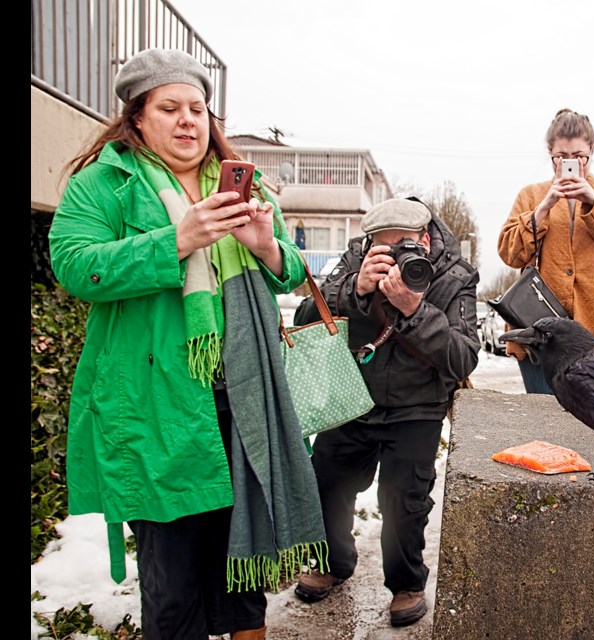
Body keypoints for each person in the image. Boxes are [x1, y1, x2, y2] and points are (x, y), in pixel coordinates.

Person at [47, 48, 328, 640]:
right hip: (154, 408)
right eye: (169, 107)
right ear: (138, 118)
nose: (188, 120)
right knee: (172, 588)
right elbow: (72, 265)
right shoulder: (106, 184)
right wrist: (174, 240)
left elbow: (290, 269)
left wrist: (265, 244)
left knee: (243, 572)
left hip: (240, 404)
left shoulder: (237, 180)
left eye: (198, 108)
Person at [292, 197, 480, 627]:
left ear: (426, 241)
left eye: (406, 247)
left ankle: (406, 584)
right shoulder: (354, 263)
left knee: (404, 498)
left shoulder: (454, 278)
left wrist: (415, 309)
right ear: (367, 244)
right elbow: (307, 315)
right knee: (327, 479)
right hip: (353, 396)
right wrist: (355, 289)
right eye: (385, 247)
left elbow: (463, 357)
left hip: (418, 406)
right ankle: (330, 561)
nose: (396, 258)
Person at [497, 108, 594, 394]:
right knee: (544, 419)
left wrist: (593, 202)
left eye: (580, 156)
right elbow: (510, 253)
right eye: (561, 157)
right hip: (539, 337)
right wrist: (543, 208)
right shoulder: (531, 195)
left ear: (593, 150)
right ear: (550, 153)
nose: (571, 164)